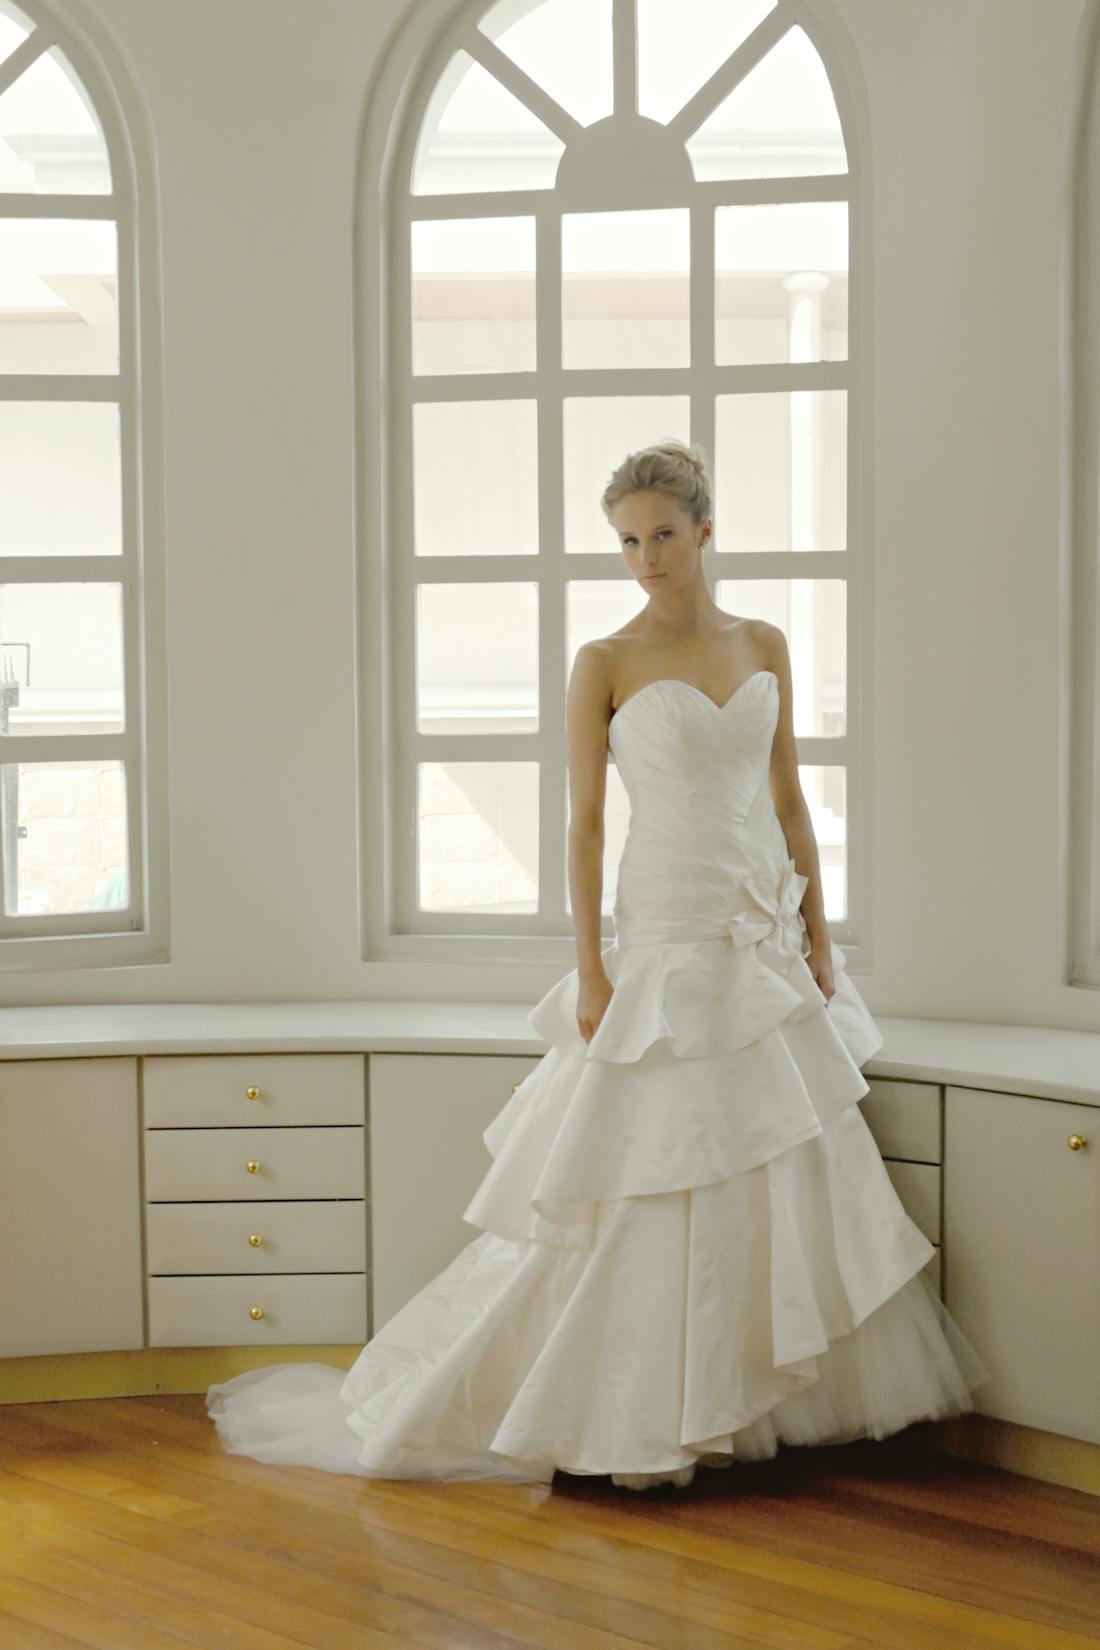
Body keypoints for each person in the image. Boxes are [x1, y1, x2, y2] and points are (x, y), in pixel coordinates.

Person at [206, 439, 990, 1490]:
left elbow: (789, 799)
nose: (645, 559)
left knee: (773, 1154)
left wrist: (816, 934)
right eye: (627, 541)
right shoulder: (604, 661)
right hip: (662, 923)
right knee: (646, 1162)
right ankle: (628, 1412)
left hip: (757, 927)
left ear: (704, 531)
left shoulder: (762, 642)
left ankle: (764, 1403)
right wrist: (589, 969)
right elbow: (581, 824)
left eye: (662, 535)